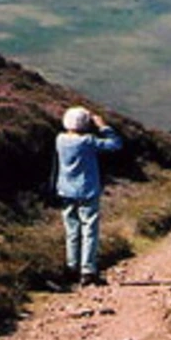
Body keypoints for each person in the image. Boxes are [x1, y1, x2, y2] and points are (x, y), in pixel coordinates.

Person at [54, 106, 122, 286]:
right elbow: (115, 144)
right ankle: (88, 271)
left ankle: (71, 268)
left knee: (72, 231)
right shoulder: (88, 141)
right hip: (87, 190)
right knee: (89, 230)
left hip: (65, 191)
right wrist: (102, 126)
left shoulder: (60, 139)